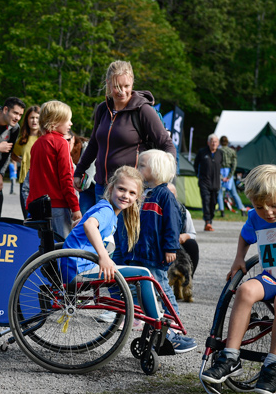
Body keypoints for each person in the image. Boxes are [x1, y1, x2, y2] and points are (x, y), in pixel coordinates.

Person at [201, 164, 276, 394]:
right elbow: (244, 237)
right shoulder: (255, 218)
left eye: (274, 206)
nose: (268, 212)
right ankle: (230, 357)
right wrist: (238, 260)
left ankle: (272, 365)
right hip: (272, 276)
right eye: (259, 206)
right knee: (244, 290)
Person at [61, 166, 161, 331]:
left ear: (137, 197)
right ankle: (158, 325)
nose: (125, 196)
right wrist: (103, 256)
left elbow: (82, 224)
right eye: (121, 189)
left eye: (131, 193)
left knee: (138, 274)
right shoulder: (107, 211)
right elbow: (89, 225)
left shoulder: (105, 208)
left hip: (77, 266)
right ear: (110, 187)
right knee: (144, 274)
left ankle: (152, 321)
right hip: (79, 269)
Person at [117, 149, 196, 353]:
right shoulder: (143, 193)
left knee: (161, 289)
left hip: (154, 255)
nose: (137, 168)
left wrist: (171, 247)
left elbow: (173, 223)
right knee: (144, 290)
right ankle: (153, 324)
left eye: (142, 165)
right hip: (139, 253)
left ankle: (174, 328)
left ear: (157, 169)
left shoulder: (164, 195)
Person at [74, 60, 175, 201]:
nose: (122, 91)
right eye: (117, 86)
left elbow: (166, 144)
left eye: (126, 86)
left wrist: (167, 179)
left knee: (123, 225)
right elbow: (94, 145)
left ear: (132, 83)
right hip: (102, 187)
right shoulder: (103, 109)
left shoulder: (143, 110)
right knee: (101, 224)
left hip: (129, 189)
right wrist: (79, 171)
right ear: (108, 83)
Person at [26, 101, 81, 239]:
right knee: (62, 248)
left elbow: (33, 178)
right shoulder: (61, 143)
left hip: (38, 206)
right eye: (68, 120)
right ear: (56, 122)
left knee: (45, 248)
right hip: (58, 206)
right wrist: (75, 207)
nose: (71, 124)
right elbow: (66, 178)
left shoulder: (37, 143)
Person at [11, 105, 41, 217]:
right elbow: (13, 155)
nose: (34, 121)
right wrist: (21, 161)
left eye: (37, 118)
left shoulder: (45, 138)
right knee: (27, 215)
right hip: (25, 182)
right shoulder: (22, 140)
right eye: (31, 118)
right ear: (27, 120)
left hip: (41, 181)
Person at [168, 182, 200, 276]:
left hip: (177, 244)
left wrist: (185, 236)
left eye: (172, 194)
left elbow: (192, 233)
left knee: (192, 244)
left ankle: (188, 278)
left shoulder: (183, 211)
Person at [194, 134, 222, 231]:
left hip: (216, 183)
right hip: (204, 182)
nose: (214, 143)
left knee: (213, 203)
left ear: (218, 143)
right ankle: (207, 222)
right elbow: (195, 165)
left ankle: (210, 218)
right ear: (208, 143)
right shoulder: (202, 152)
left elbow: (223, 165)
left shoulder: (220, 153)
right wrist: (199, 176)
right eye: (212, 142)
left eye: (215, 142)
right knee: (206, 201)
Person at [218, 135, 248, 217]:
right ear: (227, 142)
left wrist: (221, 176)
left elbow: (217, 164)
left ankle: (222, 211)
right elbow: (234, 165)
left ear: (220, 142)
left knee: (220, 193)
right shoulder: (232, 151)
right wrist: (229, 176)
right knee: (234, 193)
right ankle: (242, 209)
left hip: (220, 172)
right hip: (229, 172)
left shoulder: (218, 151)